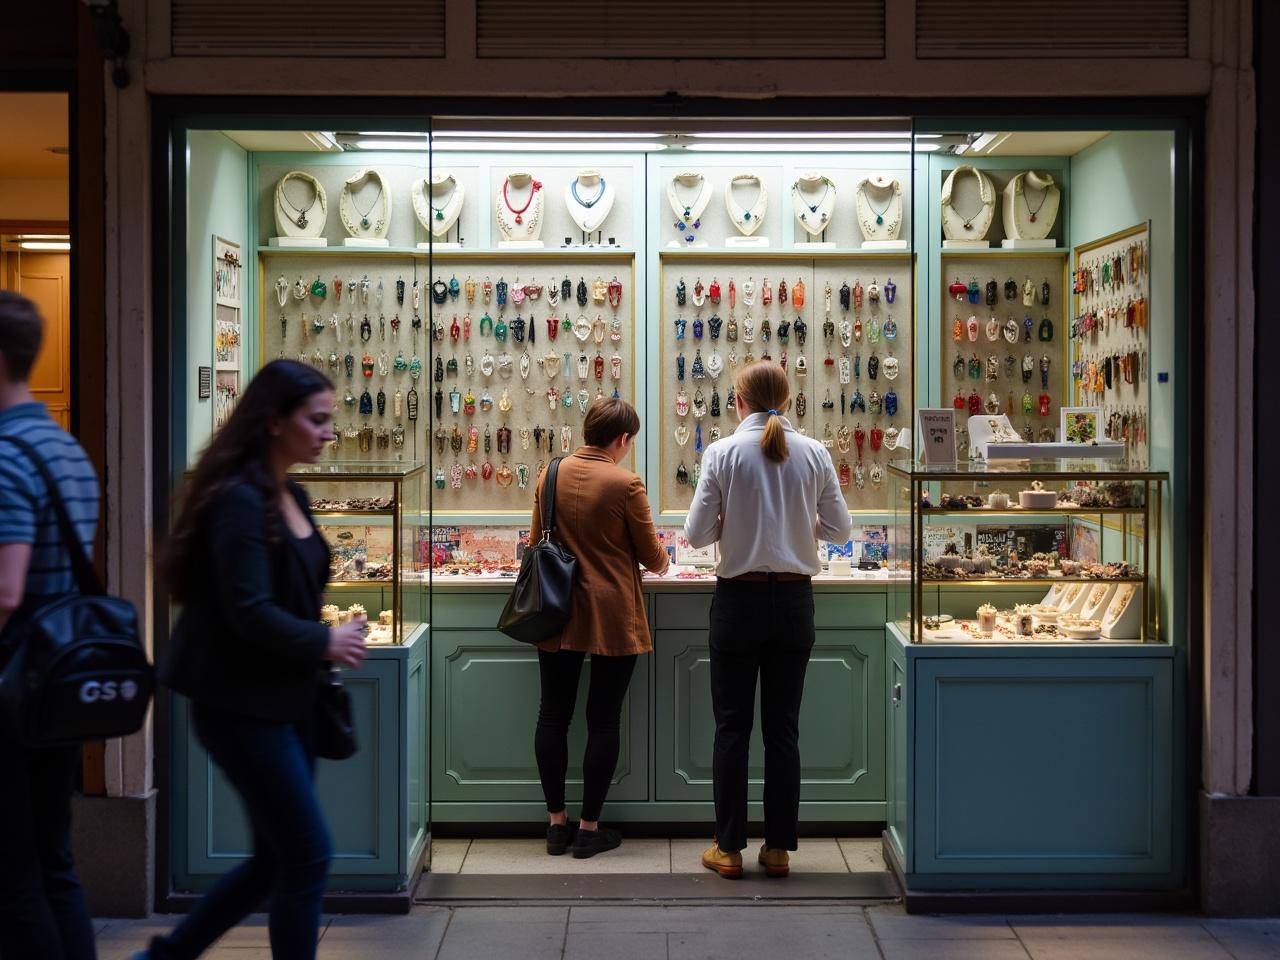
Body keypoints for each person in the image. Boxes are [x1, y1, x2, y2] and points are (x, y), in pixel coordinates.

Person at [138, 360, 367, 960]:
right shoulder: (238, 500)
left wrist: (332, 631)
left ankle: (163, 957)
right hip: (240, 705)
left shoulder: (289, 491)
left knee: (276, 860)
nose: (327, 433)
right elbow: (248, 610)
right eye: (315, 421)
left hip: (287, 699)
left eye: (329, 421)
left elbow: (289, 590)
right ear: (273, 422)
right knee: (307, 853)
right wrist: (326, 642)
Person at [684, 361, 852, 879]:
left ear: (738, 401)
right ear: (788, 398)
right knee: (783, 730)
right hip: (795, 602)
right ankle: (778, 849)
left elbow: (694, 535)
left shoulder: (722, 453)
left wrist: (732, 522)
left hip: (738, 601)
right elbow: (841, 529)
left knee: (731, 728)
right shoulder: (814, 452)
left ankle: (729, 849)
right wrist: (802, 521)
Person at [0, 291, 102, 959]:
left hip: (11, 691)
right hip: (61, 687)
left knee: (13, 878)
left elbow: (5, 592)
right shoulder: (67, 451)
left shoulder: (7, 456)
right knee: (56, 864)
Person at [530, 397, 668, 859]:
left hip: (555, 609)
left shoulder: (550, 474)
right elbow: (655, 559)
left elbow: (535, 544)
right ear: (623, 439)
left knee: (553, 714)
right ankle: (589, 828)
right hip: (610, 613)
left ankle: (555, 825)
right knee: (603, 719)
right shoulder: (626, 483)